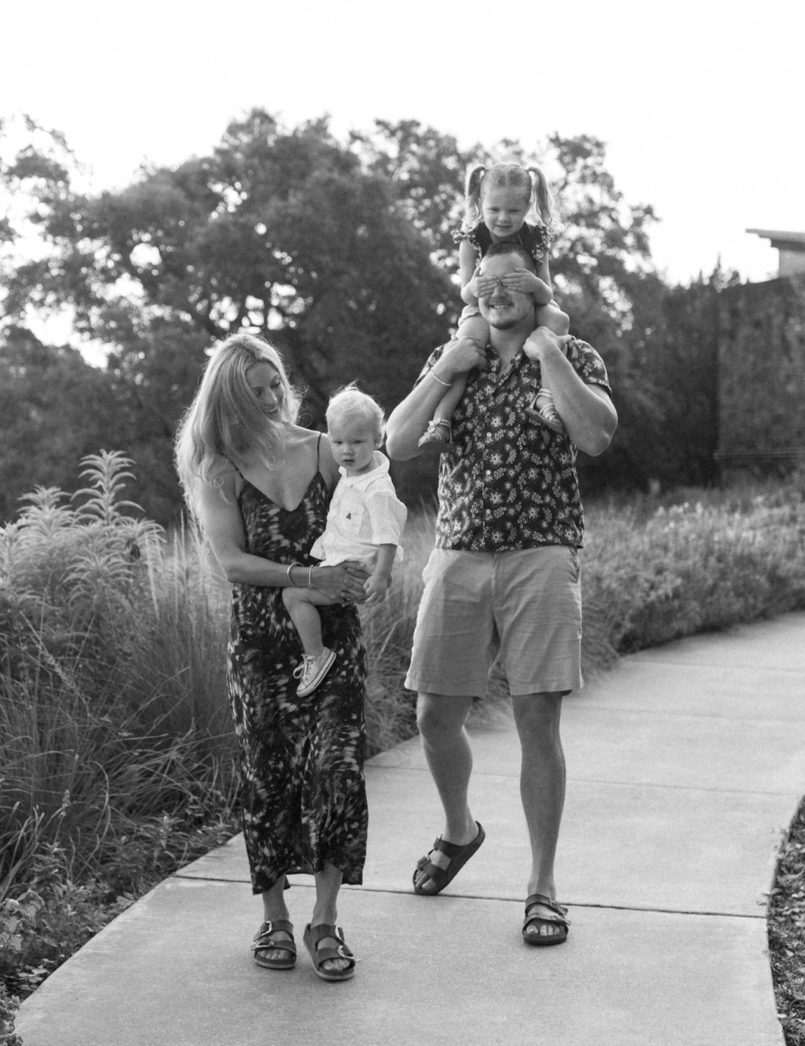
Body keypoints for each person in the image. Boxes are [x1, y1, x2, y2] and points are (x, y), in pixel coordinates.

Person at [385, 242, 617, 948]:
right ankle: (460, 830)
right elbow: (396, 443)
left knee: (536, 719)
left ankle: (542, 885)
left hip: (542, 553)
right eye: (483, 279)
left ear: (538, 286)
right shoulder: (454, 354)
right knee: (432, 714)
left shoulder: (573, 352)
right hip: (458, 552)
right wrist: (447, 369)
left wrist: (549, 355)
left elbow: (599, 435)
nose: (495, 288)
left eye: (511, 277)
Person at [175, 332, 370, 980]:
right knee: (267, 774)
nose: (268, 396)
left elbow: (369, 512)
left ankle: (324, 919)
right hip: (260, 644)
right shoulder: (218, 467)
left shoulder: (324, 449)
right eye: (252, 388)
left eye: (273, 383)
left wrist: (367, 562)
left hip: (334, 637)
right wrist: (311, 579)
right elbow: (231, 562)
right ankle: (275, 917)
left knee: (337, 769)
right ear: (228, 395)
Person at [418, 161, 572, 454]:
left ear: (527, 206)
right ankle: (441, 420)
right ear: (480, 203)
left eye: (513, 211)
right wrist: (475, 288)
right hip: (483, 307)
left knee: (559, 322)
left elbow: (546, 290)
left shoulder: (535, 238)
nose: (503, 218)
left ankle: (545, 395)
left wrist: (533, 284)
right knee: (467, 342)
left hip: (529, 303)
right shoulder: (472, 238)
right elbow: (466, 293)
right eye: (494, 210)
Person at [282, 385, 407, 698]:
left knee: (294, 596)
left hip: (357, 572)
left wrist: (380, 576)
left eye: (357, 442)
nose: (346, 450)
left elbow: (388, 536)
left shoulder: (376, 488)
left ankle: (316, 655)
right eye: (337, 442)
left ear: (377, 440)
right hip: (348, 564)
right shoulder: (352, 475)